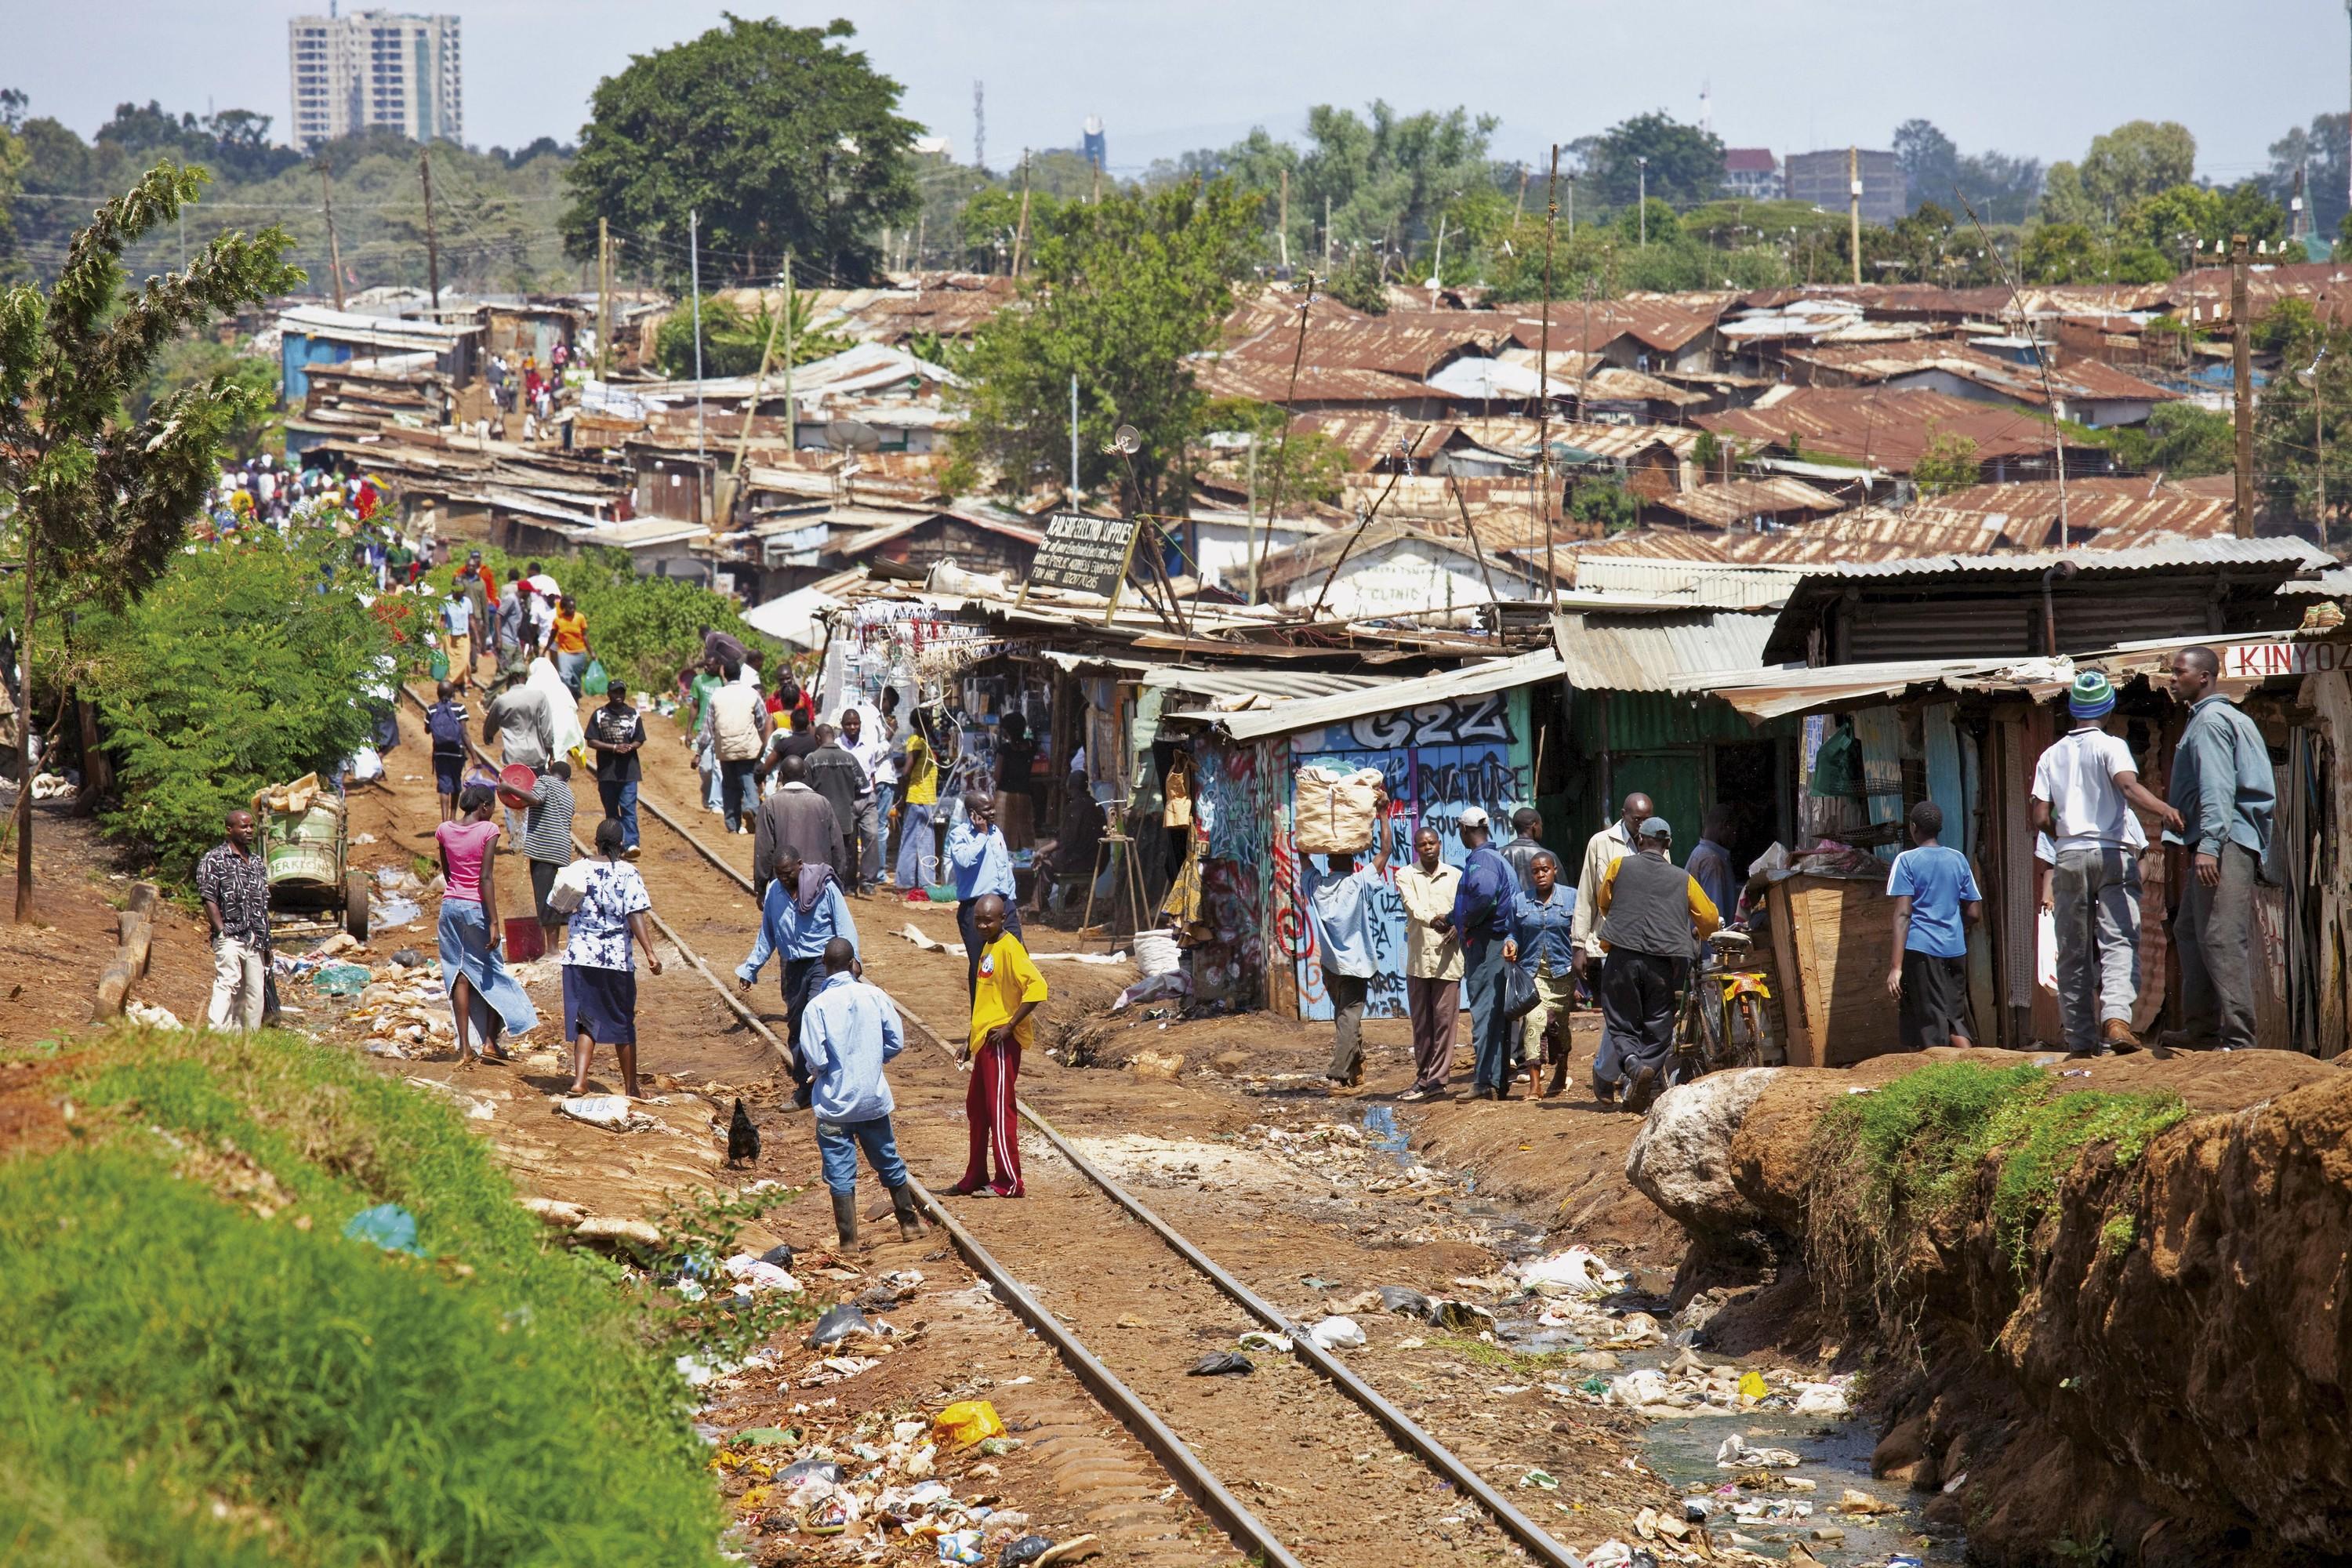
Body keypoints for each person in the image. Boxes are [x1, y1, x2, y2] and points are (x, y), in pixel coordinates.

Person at [2031, 670, 2183, 1055]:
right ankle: (2116, 1020)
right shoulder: (2112, 746)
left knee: (2074, 948)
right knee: (2118, 941)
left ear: (2072, 710)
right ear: (2109, 708)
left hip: (2068, 855)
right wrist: (2164, 809)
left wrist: (2064, 834)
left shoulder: (2050, 756)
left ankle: (2081, 1039)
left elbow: (2038, 817)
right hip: (2113, 854)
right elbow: (2129, 787)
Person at [2161, 645, 2275, 1052]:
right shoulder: (2222, 718)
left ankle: (2239, 1040)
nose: (2171, 680)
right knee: (2189, 930)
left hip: (2224, 843)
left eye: (2178, 673)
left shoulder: (2210, 722)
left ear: (2205, 676)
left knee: (2221, 937)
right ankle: (2201, 1030)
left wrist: (2209, 845)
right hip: (2222, 841)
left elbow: (2217, 788)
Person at [797, 936, 928, 1247]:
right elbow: (895, 1041)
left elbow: (815, 1058)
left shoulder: (816, 1007)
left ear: (824, 966)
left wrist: (823, 1072)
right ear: (853, 964)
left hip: (834, 1106)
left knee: (839, 1171)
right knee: (888, 1160)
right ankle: (909, 1225)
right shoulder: (875, 995)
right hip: (872, 1101)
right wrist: (873, 1059)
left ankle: (849, 1242)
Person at [1593, 817, 1720, 1112]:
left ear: (1639, 841)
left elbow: (1605, 902)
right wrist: (1697, 931)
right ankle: (1646, 1069)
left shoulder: (1619, 866)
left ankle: (1635, 1066)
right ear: (1669, 845)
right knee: (1659, 1022)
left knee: (1622, 1020)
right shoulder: (1683, 878)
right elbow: (1710, 920)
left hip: (1622, 955)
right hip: (1665, 962)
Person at [737, 842, 859, 1105]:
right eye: (779, 874)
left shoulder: (824, 888)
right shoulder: (774, 892)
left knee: (816, 1017)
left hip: (822, 964)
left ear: (800, 866)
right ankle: (803, 1086)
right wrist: (751, 969)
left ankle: (833, 1083)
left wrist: (854, 960)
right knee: (796, 1024)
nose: (784, 878)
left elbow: (844, 925)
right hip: (791, 965)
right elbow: (767, 934)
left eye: (788, 873)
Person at [436, 783, 539, 1065]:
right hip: (476, 909)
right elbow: (486, 878)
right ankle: (492, 1042)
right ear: (483, 806)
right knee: (491, 972)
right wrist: (493, 922)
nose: (493, 812)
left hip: (450, 907)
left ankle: (466, 1048)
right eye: (492, 807)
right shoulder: (488, 831)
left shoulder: (445, 830)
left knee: (458, 972)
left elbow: (447, 870)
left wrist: (457, 888)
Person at [951, 893, 1046, 1198]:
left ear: (1002, 919)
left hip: (1000, 1042)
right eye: (977, 919)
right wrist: (969, 1041)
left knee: (999, 1110)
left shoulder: (1009, 947)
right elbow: (985, 1001)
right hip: (984, 1041)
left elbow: (1038, 987)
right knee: (977, 1109)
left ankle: (1010, 1181)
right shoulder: (987, 947)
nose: (981, 925)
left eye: (987, 920)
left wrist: (1010, 1026)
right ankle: (976, 1174)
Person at [561, 816, 663, 1097]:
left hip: (579, 956)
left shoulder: (577, 868)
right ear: (621, 844)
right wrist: (650, 952)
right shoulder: (628, 873)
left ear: (595, 842)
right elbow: (635, 913)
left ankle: (580, 1081)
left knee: (586, 1019)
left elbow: (557, 904)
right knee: (622, 1022)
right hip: (615, 960)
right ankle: (631, 1087)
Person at [1884, 800, 1984, 1054]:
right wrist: (1953, 928)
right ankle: (1974, 1070)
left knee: (1927, 1023)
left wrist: (1896, 967)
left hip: (1921, 952)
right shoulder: (1958, 859)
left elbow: (1903, 914)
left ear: (1913, 828)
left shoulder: (1906, 861)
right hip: (1955, 949)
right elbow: (1974, 912)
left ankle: (1939, 1078)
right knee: (1953, 1017)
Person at [1573, 792, 1651, 1100]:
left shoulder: (1657, 839)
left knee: (1641, 1013)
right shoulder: (1601, 843)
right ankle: (1607, 1073)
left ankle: (1615, 1072)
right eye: (1637, 820)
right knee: (1620, 1013)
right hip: (1609, 941)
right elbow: (1587, 895)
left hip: (1648, 940)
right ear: (1624, 814)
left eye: (1646, 819)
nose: (1642, 826)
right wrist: (1578, 944)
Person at [1439, 807, 1519, 1102]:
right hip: (1495, 941)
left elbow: (1484, 896)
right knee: (1496, 1012)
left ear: (1463, 830)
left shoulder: (1482, 861)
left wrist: (1467, 922)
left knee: (1485, 1012)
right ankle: (1496, 1081)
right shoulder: (1496, 859)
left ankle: (1485, 1081)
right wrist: (1451, 918)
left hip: (1488, 944)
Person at [1305, 822, 1390, 1092]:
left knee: (1344, 1017)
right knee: (1348, 1019)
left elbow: (1302, 856)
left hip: (1330, 966)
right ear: (1353, 862)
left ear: (1328, 861)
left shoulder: (1317, 886)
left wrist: (1306, 832)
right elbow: (1386, 850)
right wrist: (1383, 814)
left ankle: (1358, 1065)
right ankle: (1339, 1075)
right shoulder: (1360, 882)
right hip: (1354, 967)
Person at [1395, 825, 1462, 1102]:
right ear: (1416, 848)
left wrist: (1456, 925)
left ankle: (1437, 1080)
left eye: (1432, 843)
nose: (1428, 848)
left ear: (1439, 844)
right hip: (1419, 961)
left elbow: (1463, 910)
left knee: (1445, 1023)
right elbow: (1411, 905)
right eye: (1422, 845)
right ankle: (1422, 1078)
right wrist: (1434, 920)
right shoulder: (1405, 875)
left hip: (1449, 961)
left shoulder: (1456, 876)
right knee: (1422, 1024)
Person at [1507, 851, 1579, 1099]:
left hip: (1564, 974)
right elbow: (1512, 932)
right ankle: (1534, 1086)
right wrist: (1511, 944)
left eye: (1544, 870)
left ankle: (1562, 1067)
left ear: (1554, 870)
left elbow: (1580, 932)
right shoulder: (1520, 902)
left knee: (1560, 1026)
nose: (1540, 875)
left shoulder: (1572, 898)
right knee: (1534, 1020)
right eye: (1535, 871)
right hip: (1533, 973)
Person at [198, 808, 271, 1032]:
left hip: (255, 938)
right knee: (228, 983)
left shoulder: (257, 862)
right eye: (244, 826)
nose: (249, 830)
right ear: (229, 830)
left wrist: (267, 942)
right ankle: (217, 1034)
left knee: (254, 992)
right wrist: (221, 931)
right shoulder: (214, 860)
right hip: (230, 935)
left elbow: (263, 903)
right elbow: (208, 897)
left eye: (251, 826)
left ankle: (246, 1040)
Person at [949, 793, 1021, 997]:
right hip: (976, 910)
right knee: (982, 966)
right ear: (973, 814)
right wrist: (981, 834)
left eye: (993, 807)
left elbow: (1004, 869)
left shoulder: (997, 832)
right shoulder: (959, 834)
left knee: (1015, 958)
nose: (993, 812)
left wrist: (1011, 903)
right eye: (987, 809)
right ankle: (980, 1022)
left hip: (1004, 906)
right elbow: (964, 861)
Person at [753, 754, 844, 902]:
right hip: (819, 883)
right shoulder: (822, 803)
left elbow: (764, 850)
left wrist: (761, 888)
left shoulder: (771, 804)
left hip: (784, 885)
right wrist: (838, 880)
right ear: (805, 774)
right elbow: (837, 846)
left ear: (781, 776)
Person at [701, 662, 771, 834]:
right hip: (747, 747)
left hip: (725, 749)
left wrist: (699, 751)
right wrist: (763, 746)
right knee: (748, 780)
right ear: (739, 674)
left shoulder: (717, 695)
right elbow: (762, 722)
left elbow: (708, 727)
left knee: (730, 785)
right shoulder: (752, 694)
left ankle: (732, 825)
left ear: (724, 674)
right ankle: (751, 809)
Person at [584, 680, 645, 856]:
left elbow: (640, 739)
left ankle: (632, 843)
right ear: (609, 694)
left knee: (628, 808)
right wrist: (613, 748)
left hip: (629, 771)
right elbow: (591, 740)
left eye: (621, 693)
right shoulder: (599, 715)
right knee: (611, 810)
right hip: (607, 772)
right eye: (615, 693)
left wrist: (630, 747)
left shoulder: (634, 714)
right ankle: (614, 844)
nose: (618, 696)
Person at [804, 723, 869, 886]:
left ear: (818, 739)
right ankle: (848, 885)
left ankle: (822, 884)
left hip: (819, 819)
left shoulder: (812, 759)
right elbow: (863, 785)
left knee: (821, 853)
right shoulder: (849, 758)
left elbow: (804, 788)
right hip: (846, 817)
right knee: (847, 852)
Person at [522, 759, 577, 945]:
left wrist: (509, 789)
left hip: (543, 849)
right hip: (562, 852)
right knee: (557, 898)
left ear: (549, 770)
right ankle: (557, 945)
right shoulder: (569, 794)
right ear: (567, 779)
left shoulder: (544, 781)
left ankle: (552, 950)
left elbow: (536, 799)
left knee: (544, 897)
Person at [840, 706, 887, 894]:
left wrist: (872, 791)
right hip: (847, 800)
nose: (853, 727)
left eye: (856, 723)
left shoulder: (869, 744)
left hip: (867, 798)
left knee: (872, 836)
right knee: (849, 843)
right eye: (849, 724)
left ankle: (868, 881)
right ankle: (849, 882)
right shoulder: (838, 745)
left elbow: (872, 771)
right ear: (842, 726)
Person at [895, 713, 940, 894]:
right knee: (917, 841)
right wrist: (902, 797)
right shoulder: (918, 742)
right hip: (919, 798)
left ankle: (919, 882)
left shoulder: (922, 741)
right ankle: (913, 883)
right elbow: (907, 770)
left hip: (924, 798)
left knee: (919, 841)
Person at [1683, 806, 1741, 923]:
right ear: (1725, 826)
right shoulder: (1711, 861)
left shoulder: (1701, 853)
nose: (1736, 837)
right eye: (1734, 831)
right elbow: (1715, 919)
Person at [425, 679, 469, 823]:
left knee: (444, 786)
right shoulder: (459, 708)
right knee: (456, 784)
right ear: (453, 693)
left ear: (437, 693)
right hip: (457, 752)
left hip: (440, 753)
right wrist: (475, 756)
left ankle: (444, 821)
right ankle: (453, 817)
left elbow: (427, 730)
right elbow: (464, 734)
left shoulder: (431, 709)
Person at [1499, 808, 1548, 895]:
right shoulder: (1548, 857)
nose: (1542, 829)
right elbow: (1562, 892)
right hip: (1540, 907)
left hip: (1509, 908)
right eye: (1541, 825)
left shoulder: (1499, 854)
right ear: (1535, 826)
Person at [550, 594, 591, 694]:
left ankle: (576, 697)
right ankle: (566, 697)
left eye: (574, 608)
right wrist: (546, 649)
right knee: (564, 677)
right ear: (564, 608)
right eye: (570, 608)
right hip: (564, 653)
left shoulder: (580, 618)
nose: (572, 610)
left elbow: (585, 636)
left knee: (576, 680)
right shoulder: (558, 620)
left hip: (579, 653)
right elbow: (552, 636)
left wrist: (591, 652)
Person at [439, 580, 475, 691]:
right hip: (450, 636)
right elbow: (443, 621)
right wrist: (439, 636)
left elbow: (471, 619)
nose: (462, 595)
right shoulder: (446, 601)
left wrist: (477, 636)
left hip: (464, 636)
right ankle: (456, 684)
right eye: (460, 592)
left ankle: (450, 682)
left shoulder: (467, 602)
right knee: (452, 663)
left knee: (464, 661)